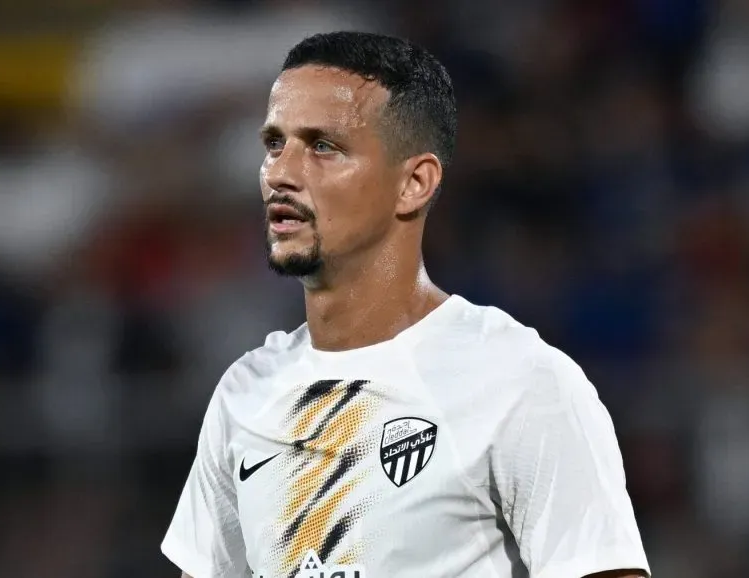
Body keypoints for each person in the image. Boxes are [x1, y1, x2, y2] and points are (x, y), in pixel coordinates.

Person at [161, 31, 651, 578]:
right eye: (275, 144)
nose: (281, 172)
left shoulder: (520, 382)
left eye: (323, 146)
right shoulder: (245, 392)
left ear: (414, 183)